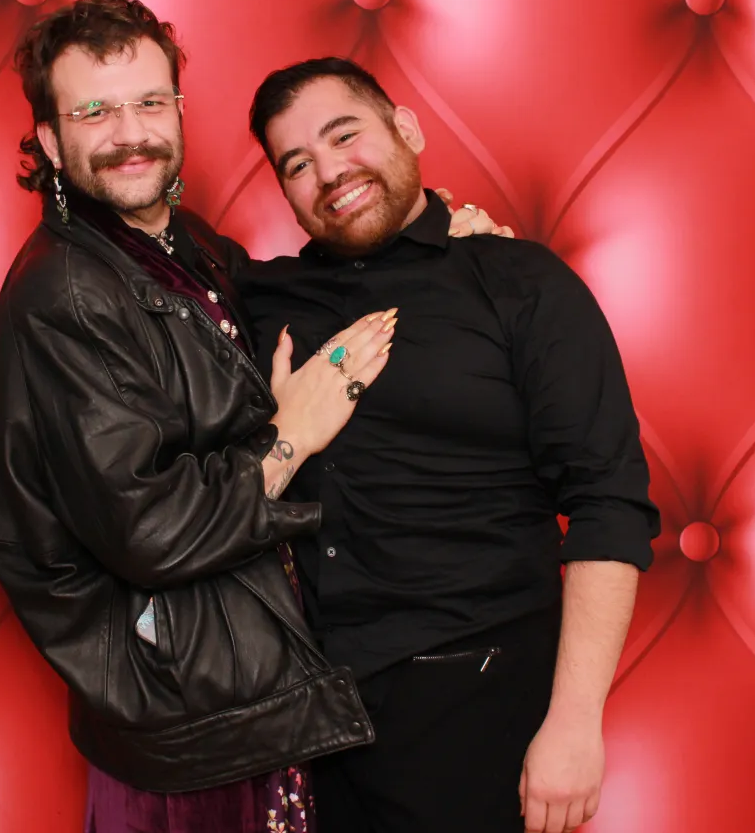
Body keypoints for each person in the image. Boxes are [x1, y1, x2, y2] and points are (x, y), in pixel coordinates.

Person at [0, 0, 506, 833]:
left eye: (148, 102)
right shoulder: (65, 295)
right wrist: (291, 435)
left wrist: (437, 243)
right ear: (49, 140)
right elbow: (147, 530)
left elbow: (303, 300)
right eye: (94, 111)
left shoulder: (184, 248)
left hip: (249, 700)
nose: (129, 132)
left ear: (178, 111)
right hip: (190, 734)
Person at [235, 57, 662, 833]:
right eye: (298, 164)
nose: (330, 172)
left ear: (406, 130)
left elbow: (608, 504)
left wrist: (574, 724)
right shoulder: (257, 299)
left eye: (345, 135)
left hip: (481, 700)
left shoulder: (520, 281)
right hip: (310, 730)